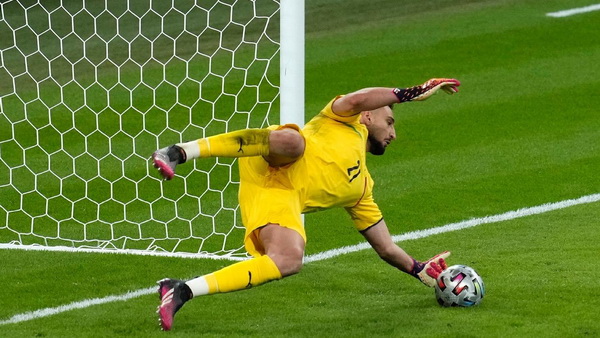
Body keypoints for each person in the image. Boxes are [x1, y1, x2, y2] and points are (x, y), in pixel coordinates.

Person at [152, 78, 461, 331]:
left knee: (289, 261)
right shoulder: (343, 119)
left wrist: (418, 268)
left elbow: (385, 247)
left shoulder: (361, 189)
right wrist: (410, 93)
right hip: (273, 156)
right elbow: (357, 98)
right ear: (369, 116)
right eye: (390, 122)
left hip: (276, 193)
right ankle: (178, 152)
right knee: (294, 141)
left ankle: (181, 290)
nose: (393, 133)